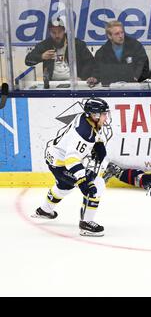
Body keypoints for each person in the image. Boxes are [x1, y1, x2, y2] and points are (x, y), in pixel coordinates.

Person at [33, 97, 112, 237]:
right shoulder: (84, 132)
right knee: (96, 185)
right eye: (104, 113)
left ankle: (44, 210)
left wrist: (98, 143)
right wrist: (83, 179)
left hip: (54, 157)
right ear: (95, 115)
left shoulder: (86, 119)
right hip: (61, 164)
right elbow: (71, 160)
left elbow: (93, 133)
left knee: (64, 187)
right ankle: (86, 224)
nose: (106, 116)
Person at [25, 17, 95, 81]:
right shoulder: (45, 45)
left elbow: (90, 62)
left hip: (73, 82)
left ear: (64, 31)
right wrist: (41, 56)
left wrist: (81, 77)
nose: (57, 35)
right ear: (49, 32)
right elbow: (28, 61)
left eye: (59, 32)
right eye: (53, 33)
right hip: (52, 83)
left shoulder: (76, 44)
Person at [89, 21, 149, 86]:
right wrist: (94, 78)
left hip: (135, 86)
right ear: (109, 36)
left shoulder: (136, 46)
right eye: (117, 34)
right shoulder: (102, 52)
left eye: (122, 32)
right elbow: (98, 70)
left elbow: (143, 64)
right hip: (111, 89)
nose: (121, 36)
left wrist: (136, 77)